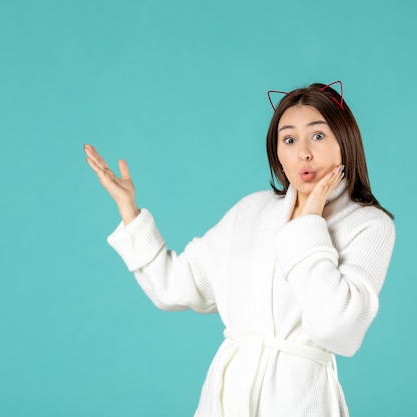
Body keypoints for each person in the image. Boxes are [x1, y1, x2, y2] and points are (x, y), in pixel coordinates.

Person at [83, 81, 395, 417]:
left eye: (318, 136)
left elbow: (338, 329)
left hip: (300, 400)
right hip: (226, 398)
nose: (303, 152)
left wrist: (309, 224)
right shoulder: (252, 211)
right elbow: (173, 286)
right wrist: (129, 210)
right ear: (277, 152)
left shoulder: (368, 224)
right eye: (289, 139)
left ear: (344, 142)